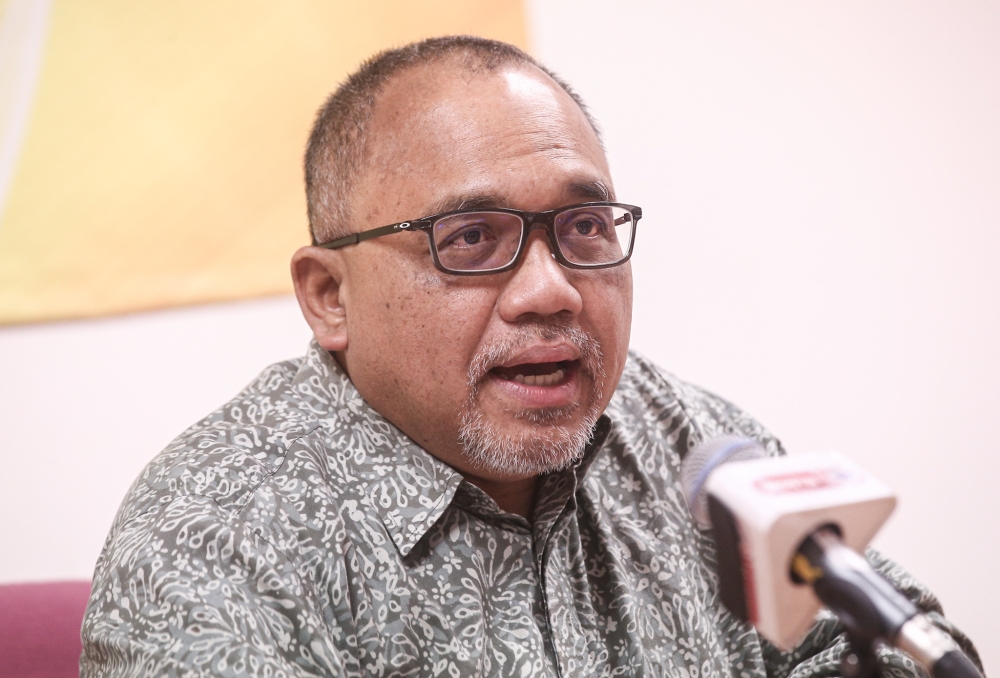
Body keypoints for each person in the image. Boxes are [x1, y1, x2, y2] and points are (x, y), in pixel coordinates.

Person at [80, 36, 981, 677]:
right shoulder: (214, 540)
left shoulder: (689, 444)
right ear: (330, 296)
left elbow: (880, 644)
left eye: (584, 227)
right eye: (470, 238)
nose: (550, 291)